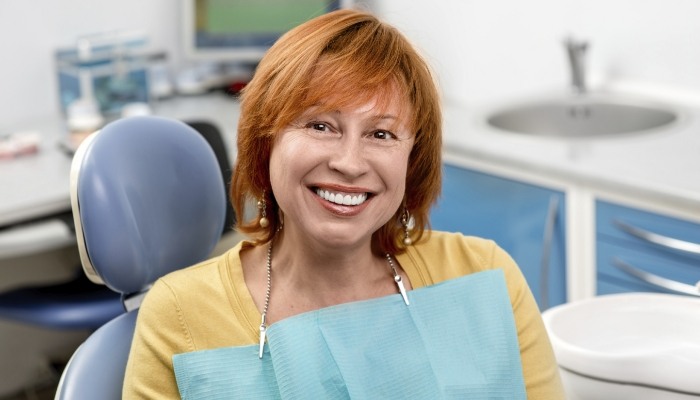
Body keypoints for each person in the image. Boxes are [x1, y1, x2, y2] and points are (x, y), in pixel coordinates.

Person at [123, 8, 564, 399]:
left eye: (381, 134)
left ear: (412, 161)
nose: (350, 163)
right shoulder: (178, 317)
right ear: (265, 142)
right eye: (320, 125)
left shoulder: (486, 276)